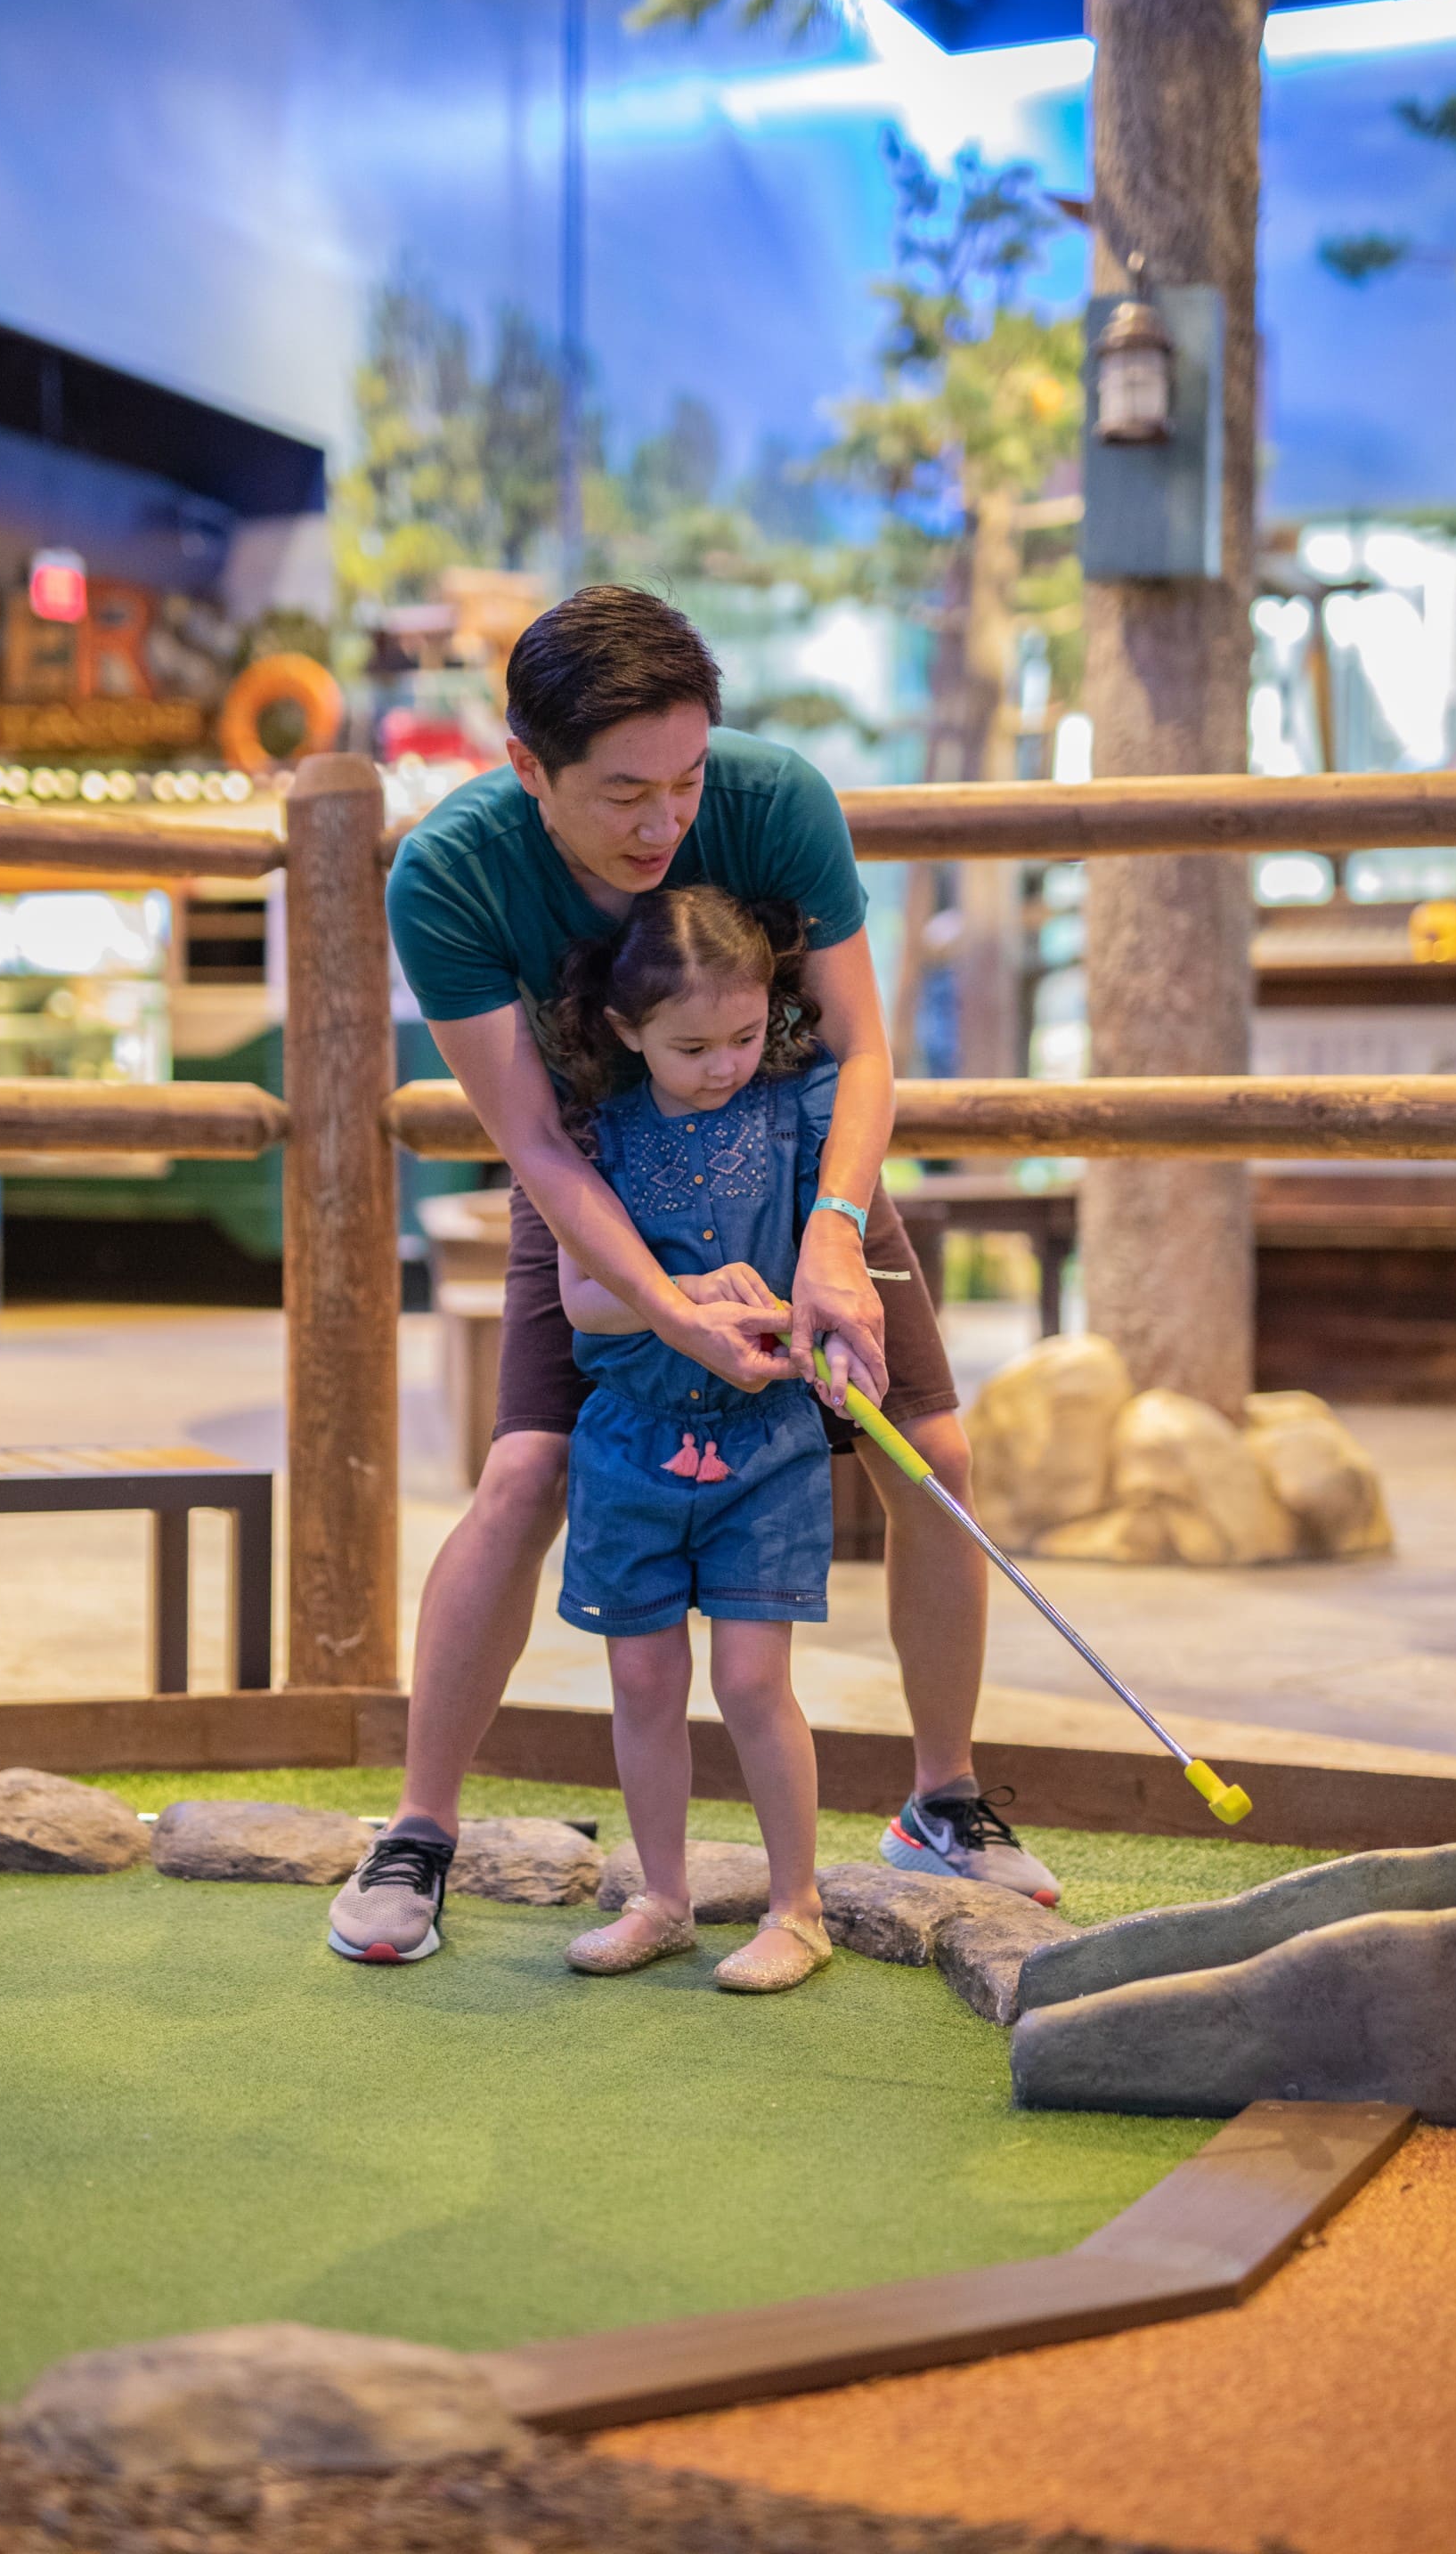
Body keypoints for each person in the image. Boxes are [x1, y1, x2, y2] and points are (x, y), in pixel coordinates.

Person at [327, 585, 1059, 1970]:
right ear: (524, 765)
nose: (665, 824)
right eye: (622, 795)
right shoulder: (452, 877)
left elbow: (862, 1056)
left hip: (801, 1162)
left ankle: (942, 1801)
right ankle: (421, 1829)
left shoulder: (778, 803)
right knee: (524, 1473)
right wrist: (666, 1308)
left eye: (687, 779)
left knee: (936, 1453)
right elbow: (536, 1144)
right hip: (604, 1185)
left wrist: (832, 1229)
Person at [550, 886, 841, 1994]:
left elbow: (831, 1261)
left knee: (755, 1680)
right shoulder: (603, 1132)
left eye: (742, 1035)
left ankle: (797, 1907)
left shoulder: (796, 1106)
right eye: (690, 1046)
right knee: (641, 1680)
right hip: (630, 1442)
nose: (723, 1063)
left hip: (764, 1442)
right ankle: (662, 1899)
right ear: (627, 1032)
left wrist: (832, 1339)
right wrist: (679, 1295)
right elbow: (584, 1298)